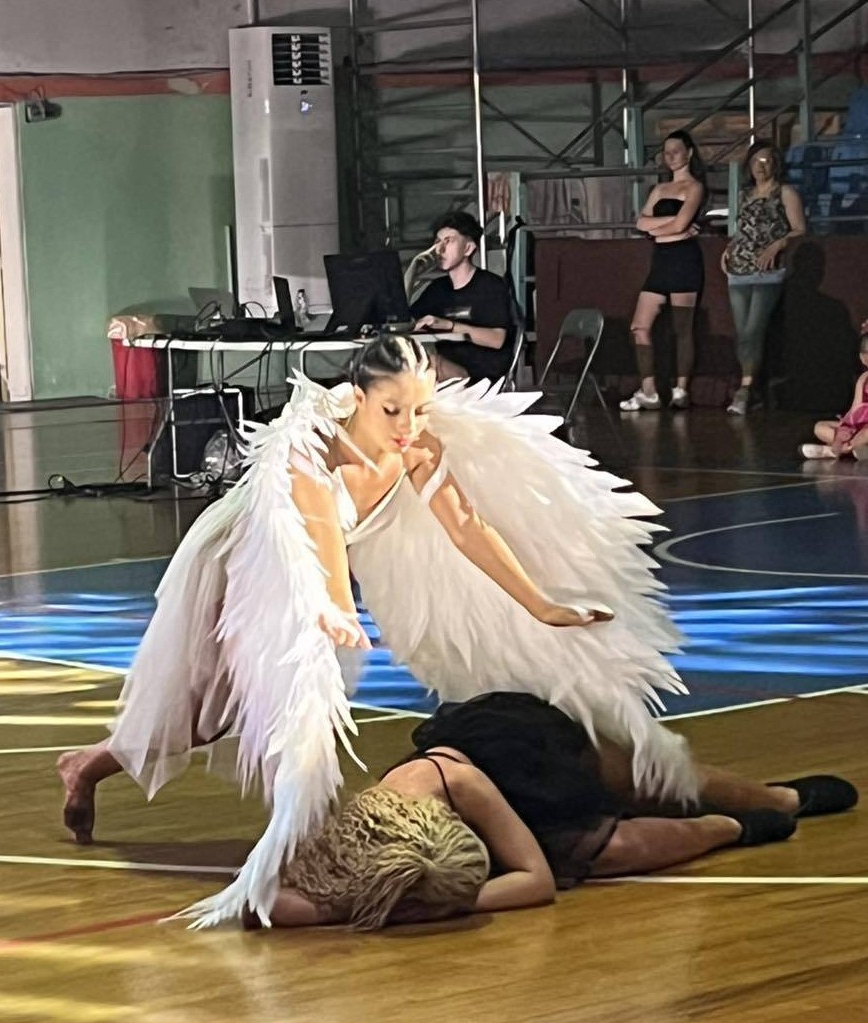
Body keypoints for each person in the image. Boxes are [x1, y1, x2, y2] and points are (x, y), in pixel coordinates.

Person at [58, 334, 699, 928]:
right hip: (242, 563)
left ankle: (87, 765)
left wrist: (541, 605)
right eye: (393, 410)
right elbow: (320, 533)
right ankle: (132, 784)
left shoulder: (418, 447)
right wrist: (337, 605)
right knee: (219, 708)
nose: (407, 427)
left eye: (419, 410)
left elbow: (466, 525)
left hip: (312, 579)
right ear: (358, 397)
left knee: (213, 719)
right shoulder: (312, 445)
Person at [249, 690, 858, 930]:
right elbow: (260, 906)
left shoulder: (456, 780)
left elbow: (535, 879)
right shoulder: (370, 856)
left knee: (649, 781)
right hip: (436, 852)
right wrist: (378, 900)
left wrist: (451, 903)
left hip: (527, 759)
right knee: (615, 851)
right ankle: (727, 829)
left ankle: (777, 797)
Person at [620, 130, 706, 413]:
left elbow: (681, 225)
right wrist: (668, 225)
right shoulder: (659, 189)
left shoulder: (694, 187)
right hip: (661, 260)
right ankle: (649, 390)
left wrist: (660, 228)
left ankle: (681, 389)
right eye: (666, 152)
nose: (670, 157)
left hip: (683, 259)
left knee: (682, 327)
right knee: (640, 326)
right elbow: (641, 222)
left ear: (689, 153)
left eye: (676, 151)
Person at [723, 141, 807, 415]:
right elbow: (742, 229)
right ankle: (752, 389)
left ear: (775, 164)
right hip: (739, 267)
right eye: (755, 161)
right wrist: (729, 249)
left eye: (766, 160)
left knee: (753, 329)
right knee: (742, 332)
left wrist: (778, 244)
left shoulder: (784, 192)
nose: (760, 166)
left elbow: (799, 228)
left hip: (767, 270)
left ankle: (745, 389)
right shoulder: (745, 194)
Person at [409, 211, 514, 383]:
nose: (440, 249)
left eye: (448, 241)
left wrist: (449, 326)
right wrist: (413, 270)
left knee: (427, 365)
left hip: (483, 374)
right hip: (450, 366)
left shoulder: (491, 286)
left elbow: (497, 339)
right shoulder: (437, 289)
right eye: (437, 242)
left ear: (468, 248)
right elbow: (406, 321)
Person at [799, 332, 868, 459]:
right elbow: (854, 411)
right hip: (859, 427)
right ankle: (854, 449)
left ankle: (833, 450)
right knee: (820, 427)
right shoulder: (863, 379)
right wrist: (843, 432)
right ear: (863, 358)